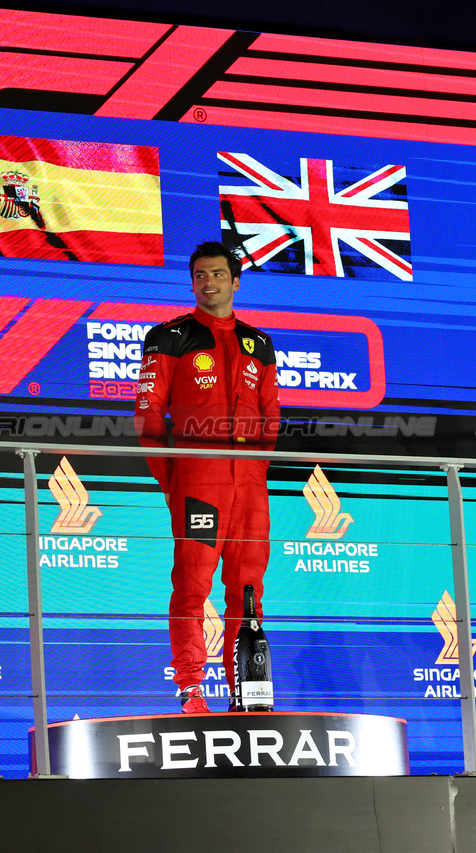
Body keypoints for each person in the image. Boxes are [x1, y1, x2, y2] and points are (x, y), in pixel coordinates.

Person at [135, 242, 280, 713]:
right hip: (199, 484)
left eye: (218, 274)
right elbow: (149, 415)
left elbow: (271, 416)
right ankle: (191, 690)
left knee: (249, 591)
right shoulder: (168, 336)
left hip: (250, 489)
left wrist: (256, 471)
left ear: (236, 281)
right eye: (200, 275)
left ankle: (247, 692)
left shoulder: (259, 343)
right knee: (193, 586)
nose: (209, 282)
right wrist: (174, 480)